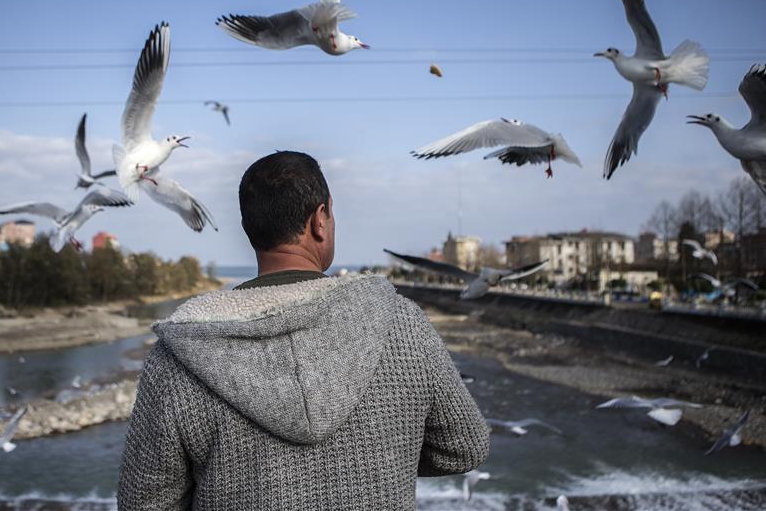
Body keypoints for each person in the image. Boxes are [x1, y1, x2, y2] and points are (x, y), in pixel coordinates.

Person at [117, 151, 490, 510]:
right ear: (320, 218)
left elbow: (144, 502)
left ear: (250, 228)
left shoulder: (179, 354)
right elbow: (465, 445)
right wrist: (385, 456)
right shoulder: (401, 323)